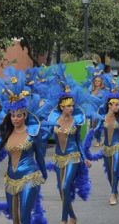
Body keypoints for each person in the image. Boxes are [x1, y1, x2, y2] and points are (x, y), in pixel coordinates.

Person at [0, 68, 48, 224]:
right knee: (14, 217)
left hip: (30, 177)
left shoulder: (33, 132)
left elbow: (39, 155)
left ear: (25, 115)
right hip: (10, 179)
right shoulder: (6, 133)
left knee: (25, 217)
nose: (15, 119)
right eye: (12, 115)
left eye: (19, 115)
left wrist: (43, 174)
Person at [47, 75, 92, 224]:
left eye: (72, 106)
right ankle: (72, 216)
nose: (71, 108)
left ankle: (63, 220)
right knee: (61, 189)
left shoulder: (77, 120)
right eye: (68, 106)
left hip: (73, 156)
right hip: (59, 157)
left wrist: (84, 157)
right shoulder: (53, 120)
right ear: (61, 106)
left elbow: (78, 140)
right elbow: (44, 137)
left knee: (66, 186)